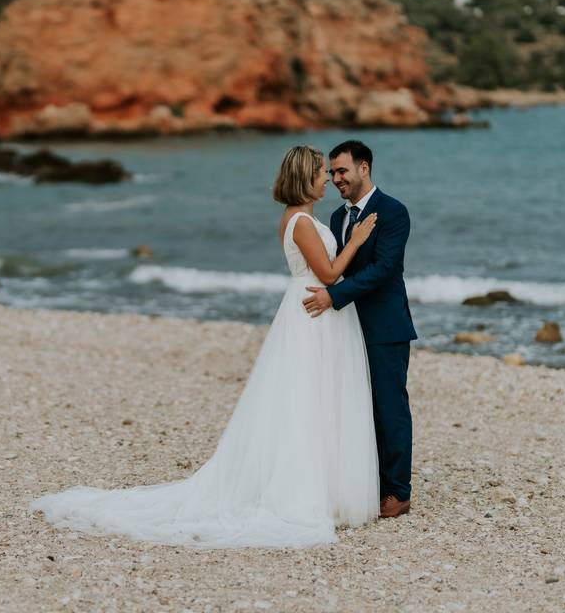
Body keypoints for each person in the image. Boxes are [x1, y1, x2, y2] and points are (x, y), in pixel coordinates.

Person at [31, 146, 379, 548]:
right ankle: (302, 491)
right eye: (322, 172)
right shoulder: (300, 221)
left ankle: (327, 486)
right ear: (306, 176)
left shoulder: (303, 218)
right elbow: (330, 273)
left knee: (316, 399)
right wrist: (356, 240)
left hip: (315, 310)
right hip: (311, 311)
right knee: (304, 401)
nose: (328, 179)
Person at [303, 140, 417, 519]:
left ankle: (398, 491)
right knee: (355, 408)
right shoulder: (337, 219)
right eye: (332, 173)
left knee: (389, 408)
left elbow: (383, 269)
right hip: (345, 328)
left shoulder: (393, 212)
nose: (336, 179)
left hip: (385, 325)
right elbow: (336, 265)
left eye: (342, 171)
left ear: (364, 168)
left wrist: (334, 297)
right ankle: (366, 483)